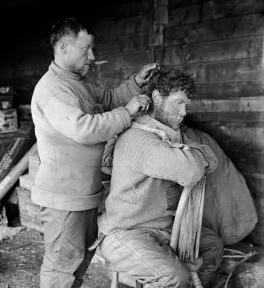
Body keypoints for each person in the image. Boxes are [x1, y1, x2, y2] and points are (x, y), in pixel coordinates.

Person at [30, 17, 158, 288]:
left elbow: (108, 99)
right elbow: (83, 129)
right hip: (63, 196)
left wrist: (135, 83)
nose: (92, 55)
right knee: (62, 267)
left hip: (83, 192)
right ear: (64, 47)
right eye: (85, 48)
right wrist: (128, 112)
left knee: (79, 261)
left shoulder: (79, 82)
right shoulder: (53, 88)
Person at [98, 69, 224, 288]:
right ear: (157, 97)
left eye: (186, 104)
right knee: (173, 276)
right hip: (125, 233)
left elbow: (211, 158)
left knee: (212, 246)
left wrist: (189, 152)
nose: (184, 112)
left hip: (163, 229)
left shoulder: (168, 136)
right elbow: (191, 171)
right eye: (178, 103)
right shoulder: (140, 138)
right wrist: (190, 154)